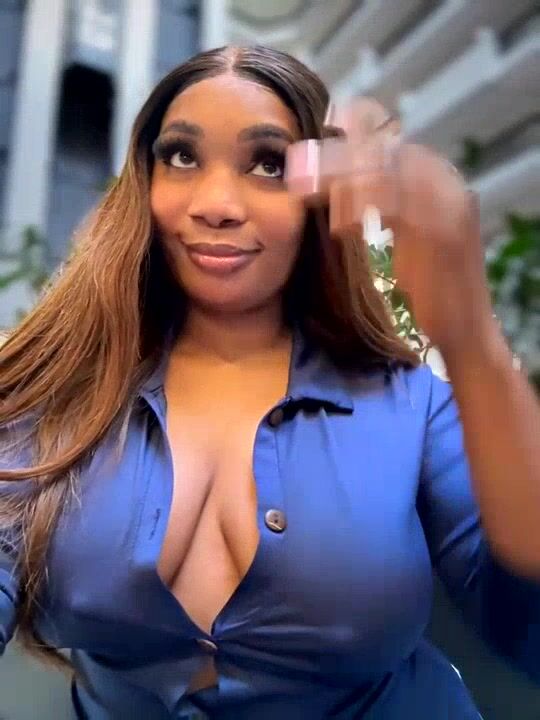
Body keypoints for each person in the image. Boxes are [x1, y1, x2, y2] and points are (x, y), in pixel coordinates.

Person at [0, 45, 539, 720]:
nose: (216, 205)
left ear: (320, 199)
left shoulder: (413, 403)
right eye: (182, 156)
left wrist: (472, 338)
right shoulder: (58, 389)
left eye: (269, 164)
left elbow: (526, 624)